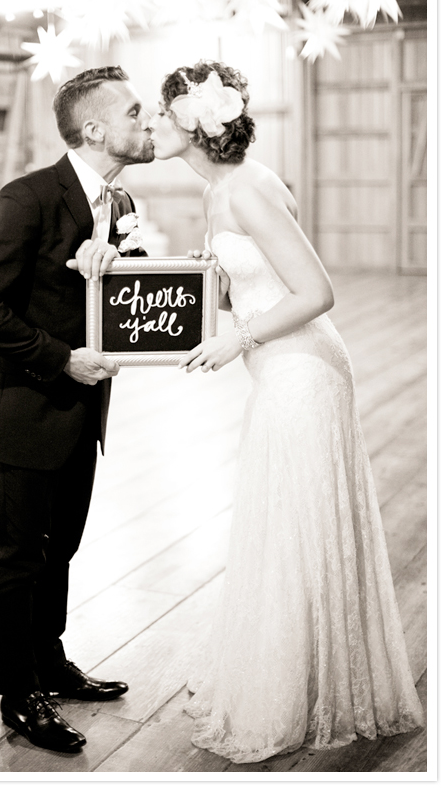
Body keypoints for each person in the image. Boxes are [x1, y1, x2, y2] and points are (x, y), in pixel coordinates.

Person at [149, 60, 424, 764]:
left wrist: (235, 338)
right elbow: (240, 285)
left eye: (159, 114)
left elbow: (315, 291)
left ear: (191, 126)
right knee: (285, 518)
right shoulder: (219, 191)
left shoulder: (247, 191)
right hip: (276, 367)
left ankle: (302, 690)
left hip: (302, 370)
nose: (151, 125)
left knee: (296, 520)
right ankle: (298, 671)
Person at [0, 65, 153, 754]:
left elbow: (123, 286)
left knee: (60, 546)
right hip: (24, 404)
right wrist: (60, 356)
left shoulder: (119, 202)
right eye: (135, 113)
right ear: (95, 128)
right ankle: (17, 693)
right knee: (18, 552)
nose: (146, 122)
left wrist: (131, 263)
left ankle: (50, 662)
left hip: (81, 410)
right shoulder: (28, 196)